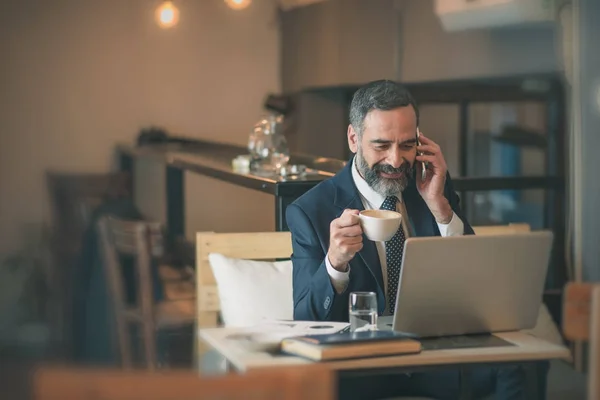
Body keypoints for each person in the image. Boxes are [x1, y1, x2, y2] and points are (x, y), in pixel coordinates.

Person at [285, 80, 547, 399]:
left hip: (435, 355)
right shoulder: (311, 210)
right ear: (354, 139)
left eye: (407, 145)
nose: (396, 161)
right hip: (361, 367)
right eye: (382, 146)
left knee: (524, 363)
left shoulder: (430, 185)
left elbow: (477, 282)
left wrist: (442, 211)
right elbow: (306, 322)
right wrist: (335, 263)